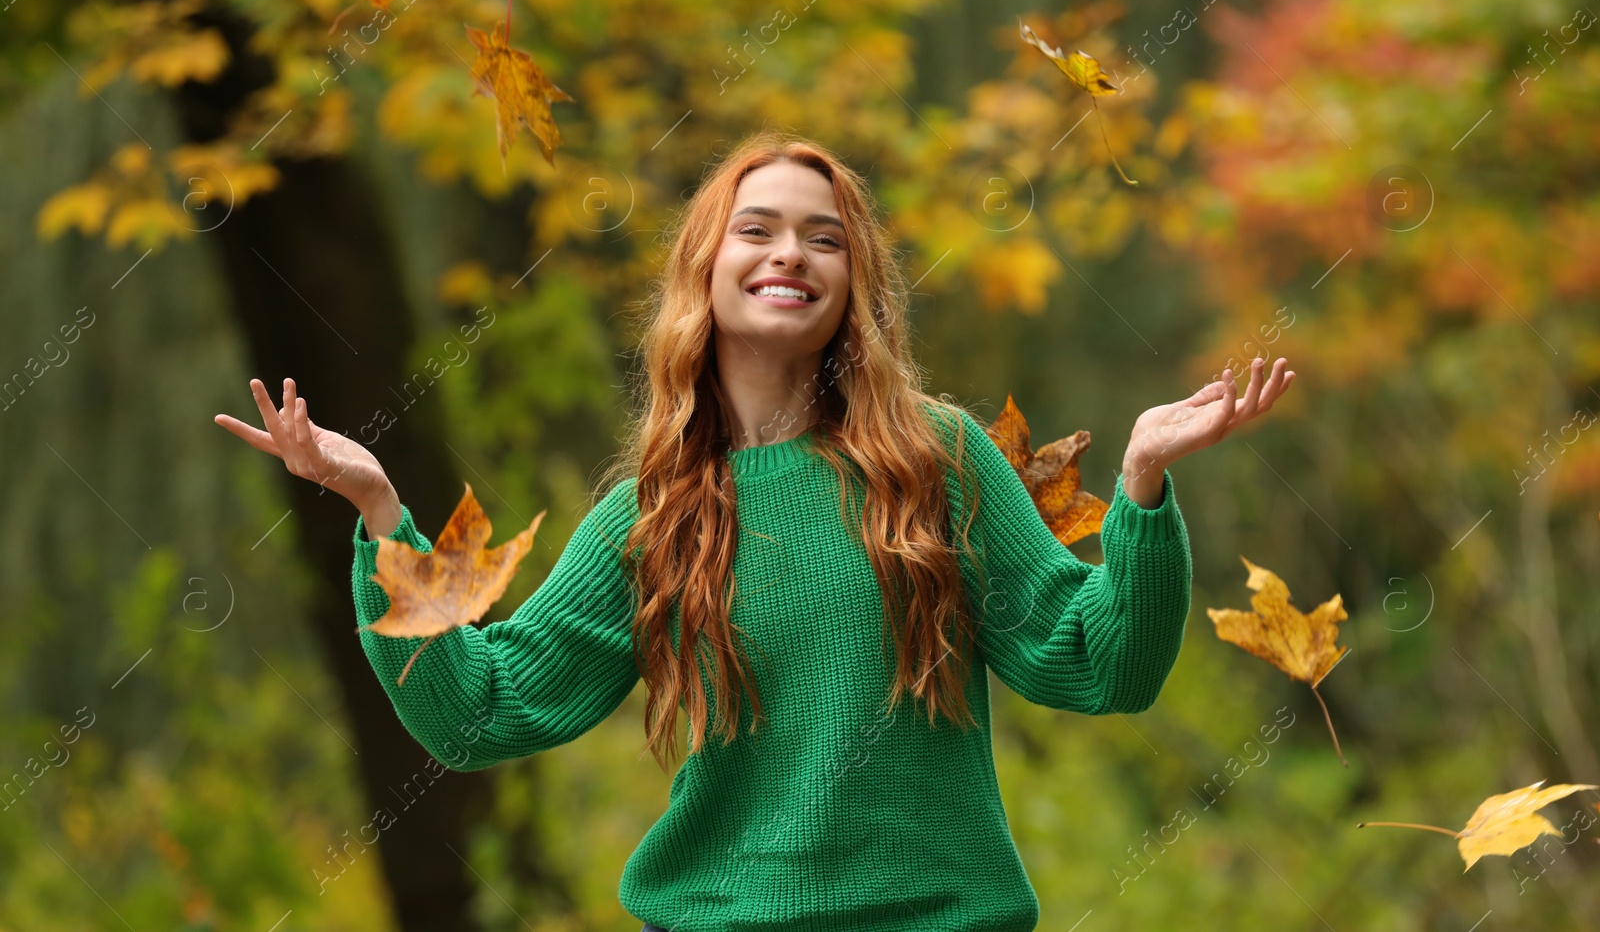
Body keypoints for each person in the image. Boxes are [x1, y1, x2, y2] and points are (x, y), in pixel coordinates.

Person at [215, 130, 1294, 930]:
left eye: (825, 238)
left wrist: (1143, 485)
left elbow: (1099, 660)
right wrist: (380, 514)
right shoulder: (651, 512)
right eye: (759, 228)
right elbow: (480, 710)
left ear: (851, 286)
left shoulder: (939, 457)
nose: (792, 253)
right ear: (706, 268)